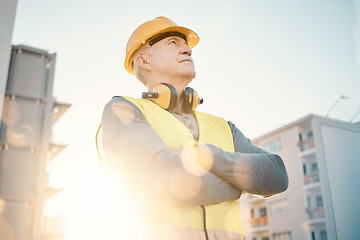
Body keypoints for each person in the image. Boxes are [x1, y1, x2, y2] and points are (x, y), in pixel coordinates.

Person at [97, 16, 288, 240]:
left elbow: (278, 175)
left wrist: (209, 156)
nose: (187, 49)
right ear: (143, 61)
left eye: (186, 44)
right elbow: (161, 178)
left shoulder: (223, 126)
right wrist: (243, 183)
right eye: (173, 43)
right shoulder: (124, 110)